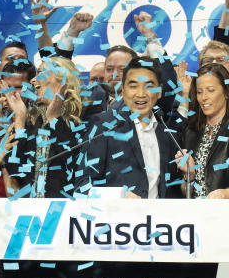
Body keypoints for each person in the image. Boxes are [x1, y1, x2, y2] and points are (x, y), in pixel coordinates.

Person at [77, 57, 182, 198]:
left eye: (149, 86)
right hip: (115, 218)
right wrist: (118, 195)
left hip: (156, 219)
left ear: (159, 91)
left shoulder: (168, 134)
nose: (141, 94)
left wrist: (188, 178)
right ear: (123, 89)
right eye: (133, 86)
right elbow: (82, 186)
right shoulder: (104, 127)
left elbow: (172, 192)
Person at [175, 63, 229, 199]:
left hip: (224, 214)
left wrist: (223, 194)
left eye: (210, 90)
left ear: (226, 92)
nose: (204, 97)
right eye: (199, 92)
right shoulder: (191, 131)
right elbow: (184, 191)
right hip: (192, 216)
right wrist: (190, 175)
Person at [8, 55, 84, 198]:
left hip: (63, 209)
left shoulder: (81, 120)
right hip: (28, 209)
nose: (32, 80)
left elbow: (71, 166)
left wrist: (53, 119)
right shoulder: (29, 121)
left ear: (62, 78)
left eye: (40, 72)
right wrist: (19, 120)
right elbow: (15, 170)